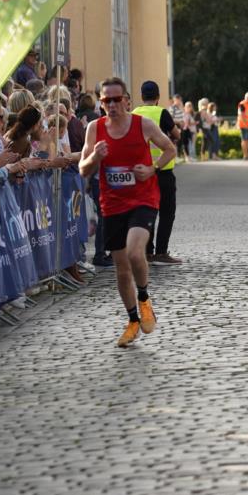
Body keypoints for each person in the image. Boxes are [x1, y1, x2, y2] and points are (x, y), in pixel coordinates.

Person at [79, 76, 175, 347]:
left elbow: (170, 148)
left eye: (116, 99)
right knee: (121, 270)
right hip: (112, 204)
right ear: (101, 103)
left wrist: (153, 169)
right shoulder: (94, 130)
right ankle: (133, 319)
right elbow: (83, 170)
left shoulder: (143, 124)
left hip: (144, 198)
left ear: (127, 100)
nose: (111, 105)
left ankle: (144, 297)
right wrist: (95, 157)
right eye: (106, 100)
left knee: (135, 252)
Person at [132, 80, 182, 266]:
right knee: (167, 212)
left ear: (142, 96)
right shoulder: (162, 113)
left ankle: (147, 251)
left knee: (147, 212)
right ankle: (161, 252)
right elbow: (176, 135)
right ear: (158, 97)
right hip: (163, 170)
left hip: (142, 172)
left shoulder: (134, 114)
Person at [237, 91, 248, 160]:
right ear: (245, 97)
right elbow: (241, 114)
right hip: (243, 125)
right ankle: (245, 155)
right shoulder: (242, 104)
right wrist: (244, 123)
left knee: (247, 140)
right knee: (244, 140)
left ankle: (247, 155)